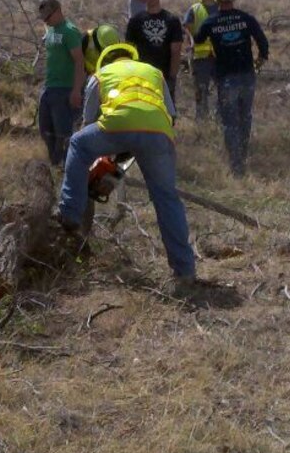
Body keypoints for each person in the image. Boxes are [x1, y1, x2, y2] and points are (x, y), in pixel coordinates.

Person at [57, 43, 197, 284]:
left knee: (79, 144)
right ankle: (185, 271)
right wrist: (117, 168)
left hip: (116, 125)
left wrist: (104, 164)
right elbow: (170, 116)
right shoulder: (154, 72)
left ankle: (70, 212)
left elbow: (89, 123)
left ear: (104, 61)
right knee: (166, 199)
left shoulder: (100, 75)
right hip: (159, 133)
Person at [194, 0, 269, 175]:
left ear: (217, 0)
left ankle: (236, 166)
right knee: (245, 118)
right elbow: (263, 42)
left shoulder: (211, 21)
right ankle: (242, 156)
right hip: (247, 75)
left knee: (229, 122)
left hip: (226, 78)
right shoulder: (246, 18)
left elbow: (198, 39)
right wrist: (260, 60)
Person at [34, 0, 85, 167]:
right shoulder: (50, 30)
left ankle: (65, 167)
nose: (46, 21)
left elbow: (79, 61)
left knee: (63, 134)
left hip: (65, 89)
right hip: (49, 88)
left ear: (58, 11)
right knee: (45, 130)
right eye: (44, 19)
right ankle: (55, 163)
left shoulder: (70, 31)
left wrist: (77, 90)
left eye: (48, 17)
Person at [125, 0, 187, 106]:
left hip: (164, 74)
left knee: (167, 113)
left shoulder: (171, 20)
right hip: (142, 75)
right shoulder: (136, 21)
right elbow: (129, 49)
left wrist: (172, 76)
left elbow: (176, 50)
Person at [183, 0, 219, 121]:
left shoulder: (221, 8)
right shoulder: (194, 9)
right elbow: (187, 27)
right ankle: (201, 119)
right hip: (200, 56)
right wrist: (190, 41)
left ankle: (218, 118)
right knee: (201, 89)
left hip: (219, 56)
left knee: (220, 88)